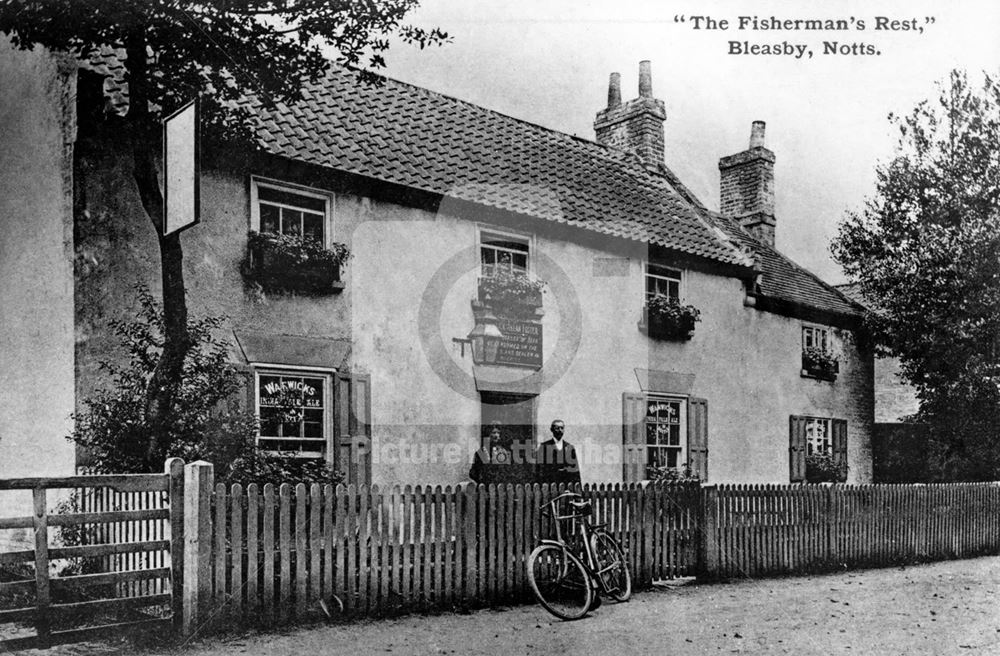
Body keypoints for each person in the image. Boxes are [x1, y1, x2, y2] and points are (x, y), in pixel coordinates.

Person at [469, 421, 534, 485]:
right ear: (489, 434)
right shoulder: (482, 452)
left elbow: (511, 470)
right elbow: (473, 473)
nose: (496, 435)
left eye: (498, 433)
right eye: (493, 433)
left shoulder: (505, 451)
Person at [535, 419, 581, 487]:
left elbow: (576, 471)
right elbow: (539, 470)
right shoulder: (544, 447)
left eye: (562, 428)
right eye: (557, 428)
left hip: (567, 487)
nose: (560, 430)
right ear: (552, 429)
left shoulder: (570, 447)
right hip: (550, 487)